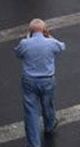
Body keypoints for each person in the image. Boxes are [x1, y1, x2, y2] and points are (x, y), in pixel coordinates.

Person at [15, 19, 65, 147]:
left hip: (29, 81)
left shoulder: (25, 43)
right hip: (47, 79)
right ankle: (49, 125)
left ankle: (34, 144)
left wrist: (27, 38)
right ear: (44, 30)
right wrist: (49, 35)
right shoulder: (51, 43)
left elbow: (18, 54)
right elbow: (61, 47)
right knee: (47, 104)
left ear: (30, 31)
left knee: (31, 111)